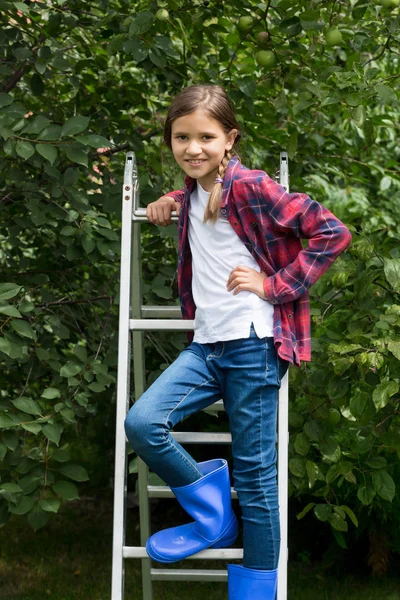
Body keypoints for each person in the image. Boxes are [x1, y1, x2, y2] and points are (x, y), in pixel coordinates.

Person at [124, 84, 352, 599]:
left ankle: (253, 592)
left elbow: (331, 232)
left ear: (229, 139)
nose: (193, 148)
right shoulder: (198, 189)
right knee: (142, 422)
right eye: (181, 137)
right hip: (207, 346)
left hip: (252, 345)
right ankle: (214, 517)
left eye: (205, 137)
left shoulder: (250, 186)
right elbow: (200, 199)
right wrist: (169, 200)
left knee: (255, 482)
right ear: (171, 141)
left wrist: (275, 287)